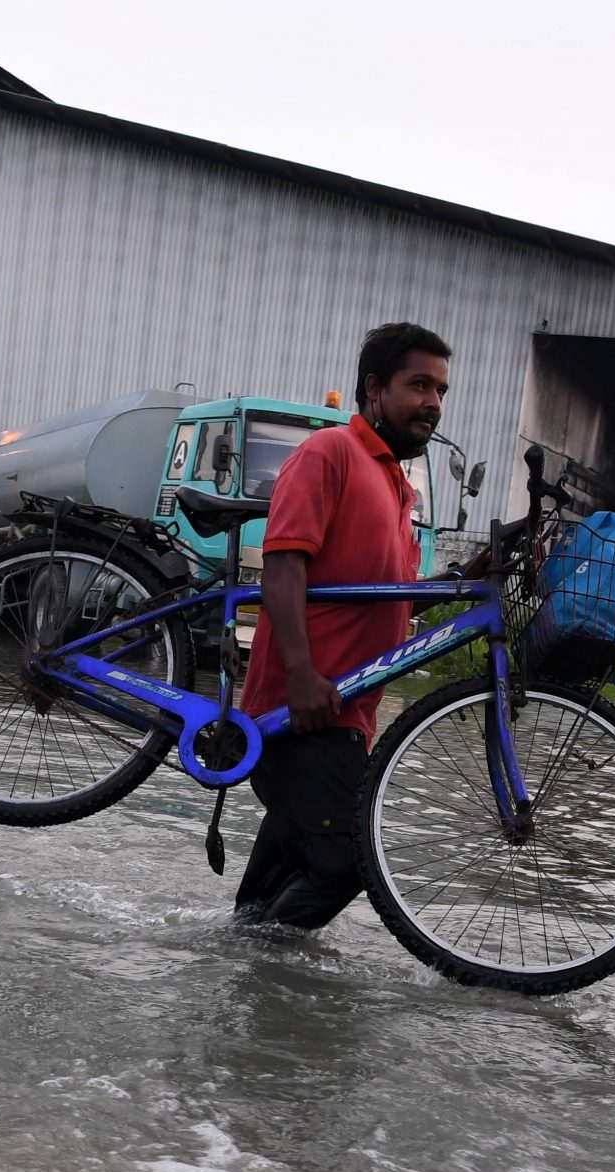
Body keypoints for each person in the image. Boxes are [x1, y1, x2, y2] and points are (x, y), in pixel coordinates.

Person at [233, 321, 450, 930]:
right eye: (419, 385)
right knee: (351, 860)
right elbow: (281, 569)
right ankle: (270, 991)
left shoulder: (397, 485)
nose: (432, 403)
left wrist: (470, 576)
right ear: (374, 388)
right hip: (302, 710)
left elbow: (393, 603)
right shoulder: (330, 452)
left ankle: (234, 988)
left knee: (263, 901)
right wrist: (301, 675)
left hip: (348, 716)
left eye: (440, 391)